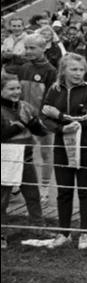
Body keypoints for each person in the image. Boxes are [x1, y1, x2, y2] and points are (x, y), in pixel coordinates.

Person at [38, 53, 87, 249]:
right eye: (74, 69)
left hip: (86, 146)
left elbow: (86, 117)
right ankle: (64, 232)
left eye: (81, 70)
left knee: (85, 190)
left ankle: (85, 233)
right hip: (62, 146)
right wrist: (61, 128)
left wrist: (60, 115)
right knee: (64, 190)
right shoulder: (54, 89)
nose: (78, 73)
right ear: (63, 70)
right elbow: (43, 116)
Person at [1, 72, 48, 241]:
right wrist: (21, 124)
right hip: (5, 160)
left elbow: (41, 131)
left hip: (26, 157)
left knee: (33, 195)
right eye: (11, 89)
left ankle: (38, 228)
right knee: (2, 199)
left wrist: (34, 124)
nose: (16, 92)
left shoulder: (26, 107)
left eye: (18, 88)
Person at [12, 34, 58, 206]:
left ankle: (44, 190)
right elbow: (17, 92)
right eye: (26, 47)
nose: (28, 51)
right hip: (22, 119)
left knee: (45, 153)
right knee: (20, 152)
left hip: (42, 120)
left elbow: (51, 97)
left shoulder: (51, 71)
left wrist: (42, 118)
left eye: (32, 48)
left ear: (44, 48)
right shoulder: (24, 68)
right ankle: (15, 187)